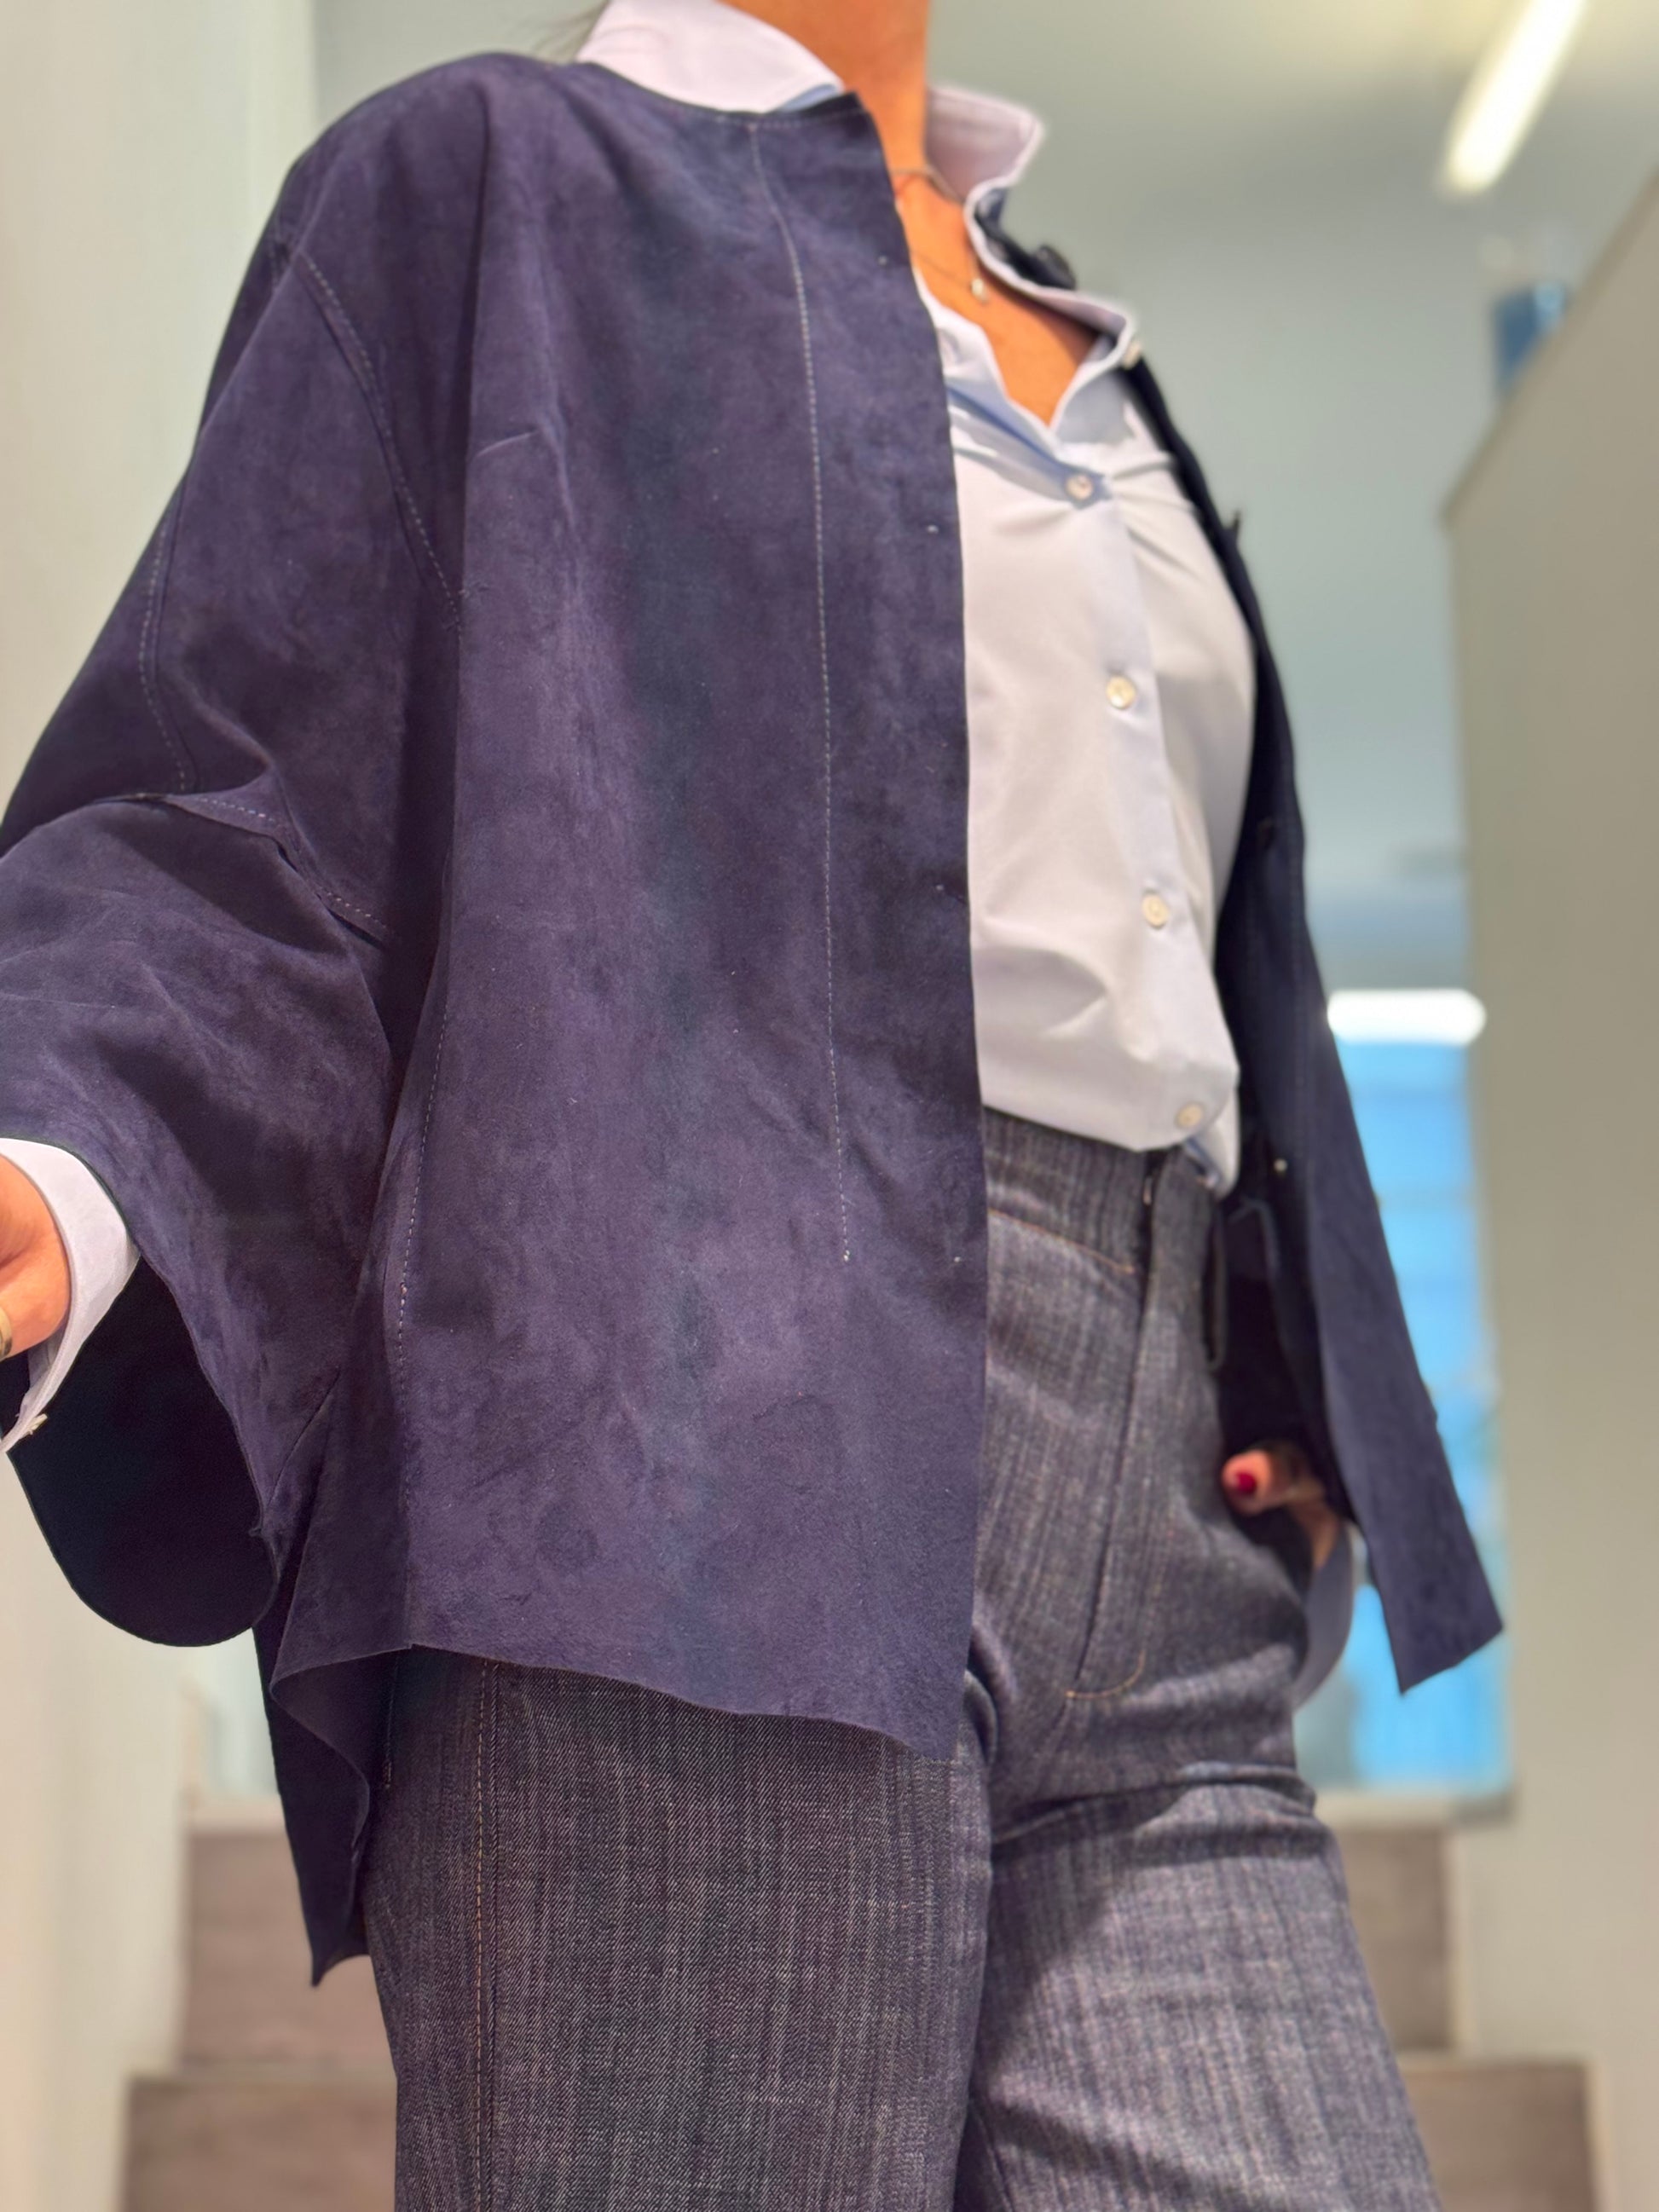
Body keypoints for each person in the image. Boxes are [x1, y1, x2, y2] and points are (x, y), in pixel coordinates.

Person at [0, 0, 1500, 2202]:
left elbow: (1181, 944)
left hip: (1173, 1562)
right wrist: (62, 1163)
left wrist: (1273, 1361)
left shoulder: (1074, 328)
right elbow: (241, 792)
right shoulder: (486, 184)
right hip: (687, 1477)